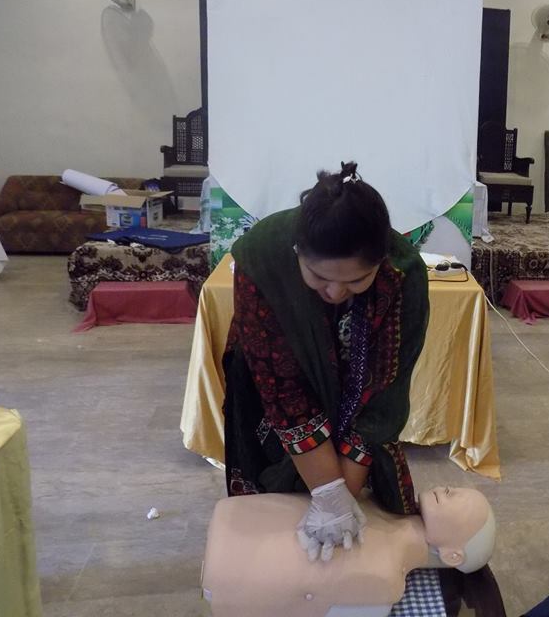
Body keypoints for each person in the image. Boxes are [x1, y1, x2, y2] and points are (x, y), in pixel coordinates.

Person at [222, 161, 430, 562]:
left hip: (359, 401)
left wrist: (340, 499)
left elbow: (385, 388)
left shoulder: (403, 275)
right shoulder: (262, 257)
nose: (335, 292)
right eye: (318, 277)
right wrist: (328, 493)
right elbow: (281, 386)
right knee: (273, 523)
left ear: (380, 261)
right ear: (299, 252)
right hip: (274, 400)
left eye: (355, 282)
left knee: (354, 537)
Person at [201, 486, 496, 617]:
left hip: (237, 560)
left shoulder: (383, 579)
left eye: (456, 498)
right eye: (454, 489)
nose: (447, 489)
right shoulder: (384, 500)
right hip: (244, 536)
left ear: (453, 555)